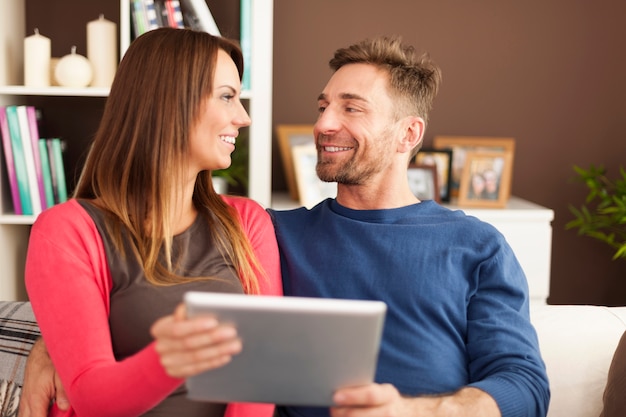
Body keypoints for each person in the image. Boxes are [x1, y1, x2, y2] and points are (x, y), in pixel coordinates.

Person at [21, 35, 550, 417]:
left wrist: (416, 413)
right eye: (322, 106)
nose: (322, 124)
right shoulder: (276, 233)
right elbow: (136, 273)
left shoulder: (475, 247)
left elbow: (524, 385)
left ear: (408, 133)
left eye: (351, 108)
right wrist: (49, 343)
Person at [19, 27, 281, 417]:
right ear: (168, 101)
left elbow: (258, 381)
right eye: (227, 96)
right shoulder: (67, 231)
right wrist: (167, 360)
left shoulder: (246, 223)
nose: (242, 117)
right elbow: (90, 397)